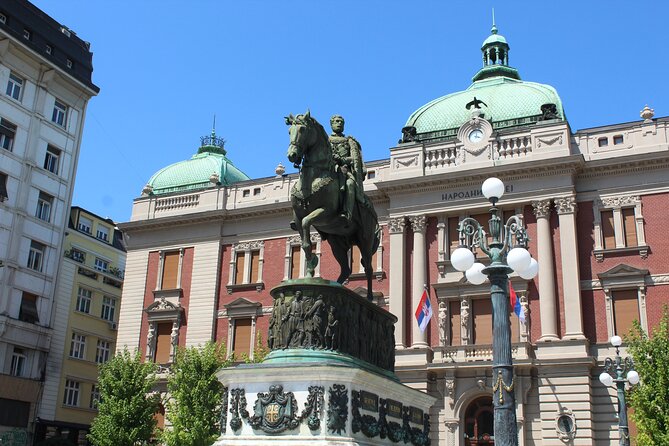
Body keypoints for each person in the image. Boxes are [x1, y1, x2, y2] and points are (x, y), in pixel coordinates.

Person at [329, 115, 372, 221]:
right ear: (331, 124)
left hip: (344, 170)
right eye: (336, 121)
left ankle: (347, 213)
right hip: (329, 169)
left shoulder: (349, 141)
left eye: (341, 122)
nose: (339, 123)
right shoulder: (326, 140)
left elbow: (355, 158)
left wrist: (343, 160)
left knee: (350, 184)